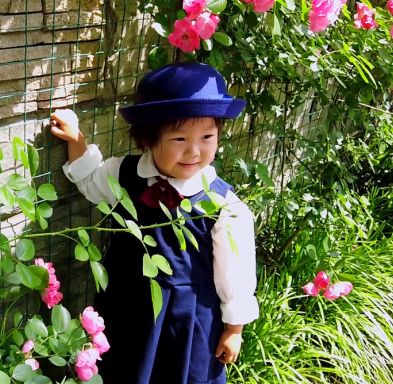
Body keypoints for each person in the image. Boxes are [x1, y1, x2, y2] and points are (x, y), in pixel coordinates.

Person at [51, 62, 259, 384]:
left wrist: (234, 329)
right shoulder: (125, 173)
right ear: (149, 137)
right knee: (123, 370)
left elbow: (236, 273)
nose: (194, 151)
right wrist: (75, 138)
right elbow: (91, 181)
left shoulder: (224, 208)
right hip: (126, 305)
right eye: (179, 138)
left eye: (207, 136)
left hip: (186, 320)